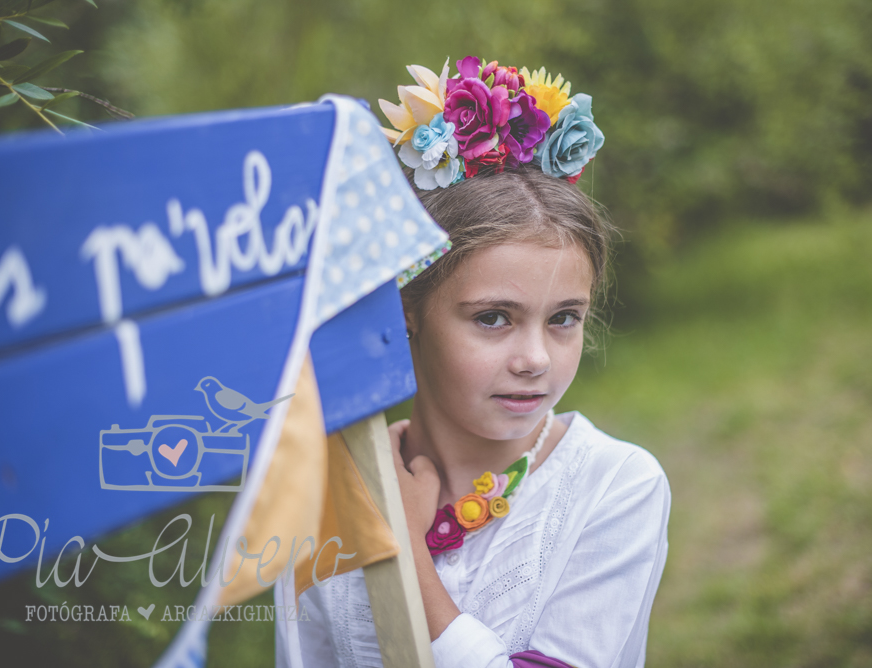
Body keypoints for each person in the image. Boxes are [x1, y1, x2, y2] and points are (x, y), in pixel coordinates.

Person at [275, 58, 671, 668]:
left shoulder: (615, 487)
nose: (536, 359)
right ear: (410, 308)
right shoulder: (325, 502)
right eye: (493, 318)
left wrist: (402, 547)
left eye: (563, 318)